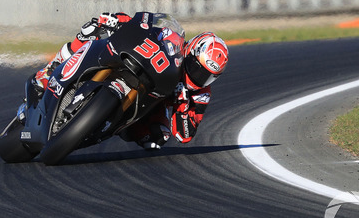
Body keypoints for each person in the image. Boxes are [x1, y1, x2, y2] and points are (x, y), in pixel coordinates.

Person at [26, 12, 229, 150]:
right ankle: (48, 72)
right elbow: (144, 25)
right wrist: (118, 21)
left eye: (207, 75)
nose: (199, 77)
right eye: (196, 68)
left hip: (151, 104)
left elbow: (184, 135)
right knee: (91, 30)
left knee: (159, 137)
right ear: (190, 51)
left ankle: (111, 126)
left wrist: (182, 102)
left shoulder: (200, 94)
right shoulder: (172, 40)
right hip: (135, 64)